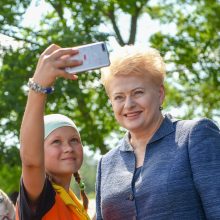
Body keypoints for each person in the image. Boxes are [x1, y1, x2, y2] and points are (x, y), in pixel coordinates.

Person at [95, 45, 220, 219]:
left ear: (160, 93)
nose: (128, 104)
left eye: (137, 93)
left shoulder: (194, 136)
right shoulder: (106, 163)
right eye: (119, 97)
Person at [16, 44, 90, 220]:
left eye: (74, 140)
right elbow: (31, 162)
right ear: (39, 149)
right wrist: (38, 87)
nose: (68, 148)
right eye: (56, 141)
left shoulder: (74, 203)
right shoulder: (40, 195)